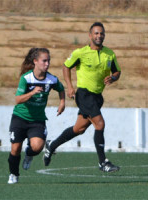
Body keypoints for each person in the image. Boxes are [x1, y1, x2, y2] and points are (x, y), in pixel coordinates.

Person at [43, 22, 121, 172]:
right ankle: (102, 162)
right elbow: (66, 66)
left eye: (102, 33)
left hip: (97, 97)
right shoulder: (80, 53)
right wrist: (70, 86)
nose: (99, 36)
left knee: (78, 129)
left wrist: (113, 78)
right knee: (100, 124)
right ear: (90, 35)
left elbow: (117, 71)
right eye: (96, 33)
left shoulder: (109, 54)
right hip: (84, 94)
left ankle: (51, 145)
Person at [7, 48, 65, 184]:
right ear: (35, 62)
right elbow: (18, 100)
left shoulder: (51, 79)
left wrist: (62, 102)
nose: (47, 64)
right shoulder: (26, 78)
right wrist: (31, 93)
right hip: (20, 118)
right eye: (44, 61)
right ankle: (13, 174)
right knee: (15, 148)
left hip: (37, 120)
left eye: (48, 61)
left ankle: (29, 154)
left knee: (37, 147)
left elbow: (61, 89)